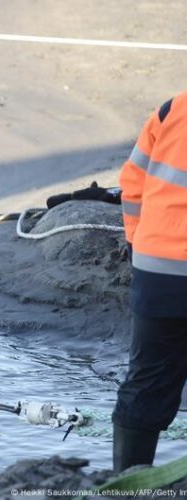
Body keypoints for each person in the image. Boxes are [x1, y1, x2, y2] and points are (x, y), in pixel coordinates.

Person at [112, 93, 187, 472]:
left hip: (157, 268)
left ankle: (125, 484)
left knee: (146, 381)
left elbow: (132, 181)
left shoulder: (173, 108)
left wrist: (136, 241)